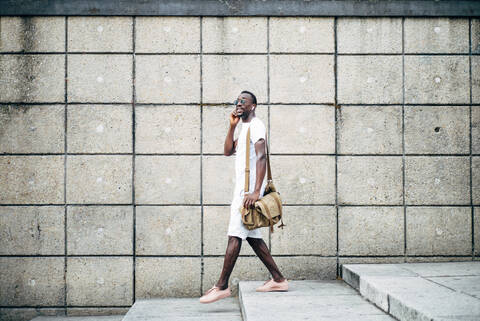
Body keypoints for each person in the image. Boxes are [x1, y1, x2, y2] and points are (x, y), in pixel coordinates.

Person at [199, 91, 288, 304]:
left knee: (235, 235)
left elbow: (261, 156)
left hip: (247, 194)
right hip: (242, 190)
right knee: (253, 237)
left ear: (253, 106)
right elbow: (228, 151)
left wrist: (256, 192)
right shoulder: (245, 127)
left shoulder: (256, 126)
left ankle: (221, 286)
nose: (239, 103)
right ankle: (278, 279)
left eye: (244, 101)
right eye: (237, 100)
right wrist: (232, 126)